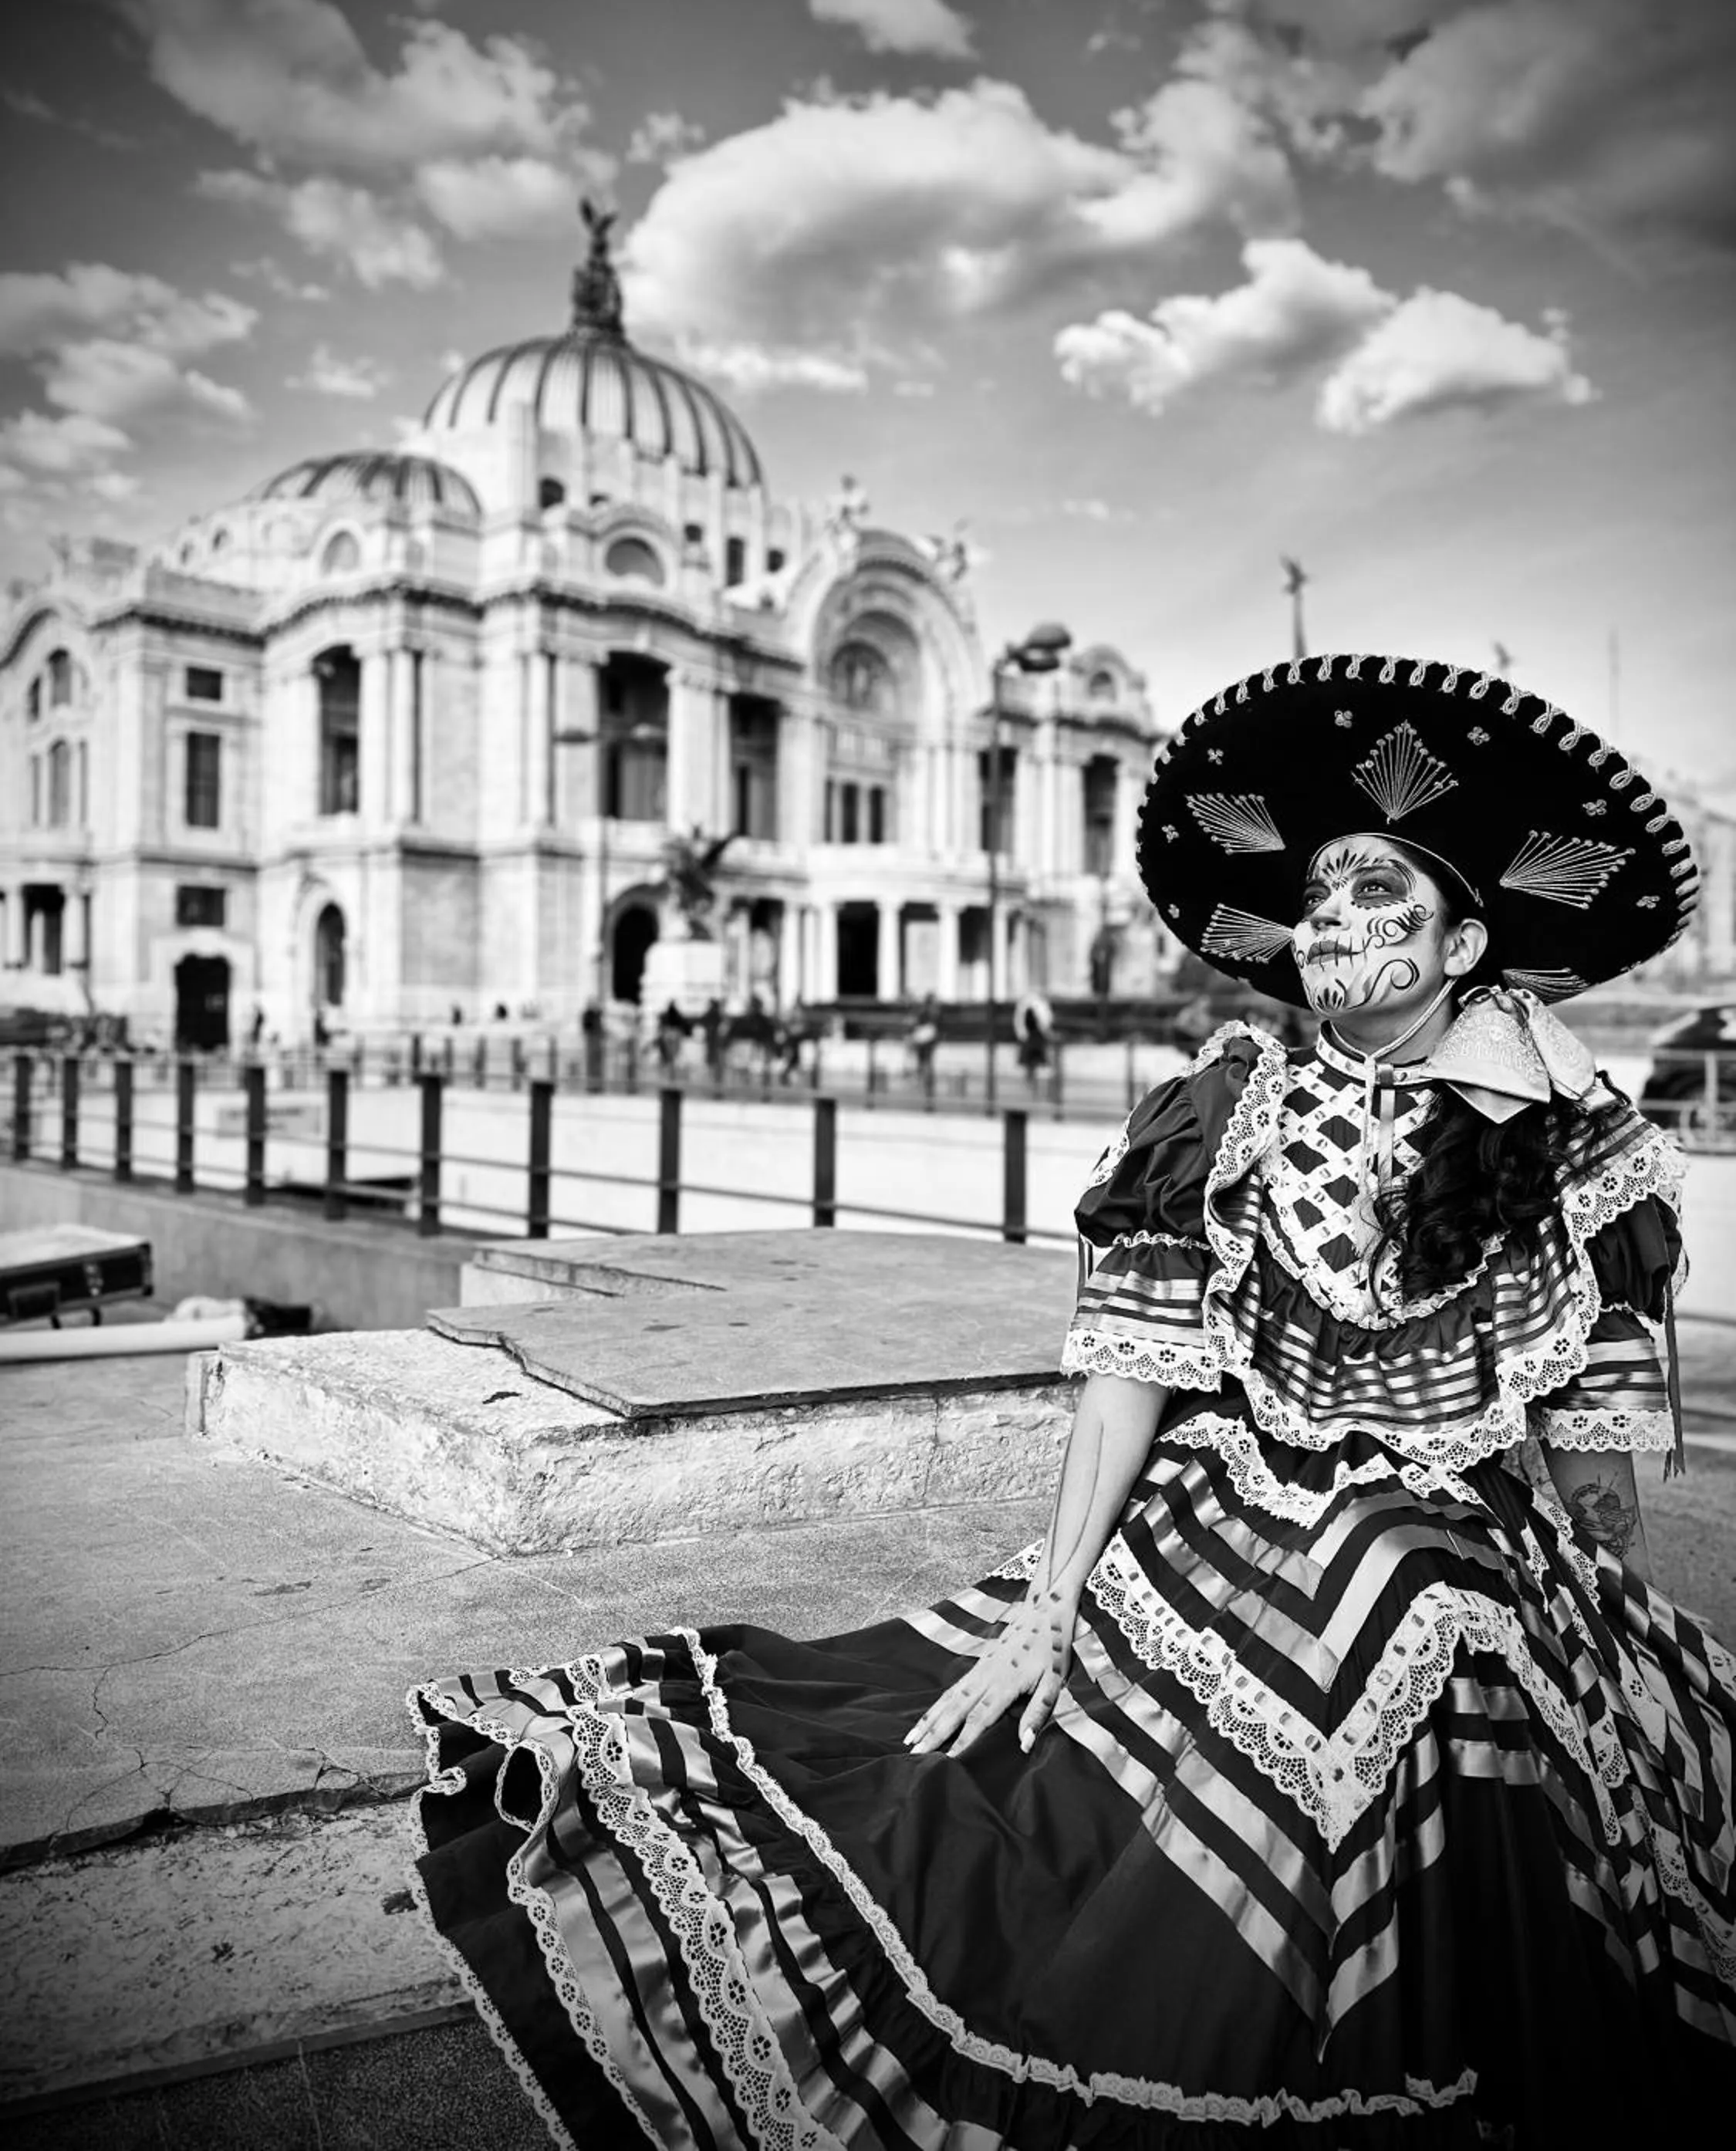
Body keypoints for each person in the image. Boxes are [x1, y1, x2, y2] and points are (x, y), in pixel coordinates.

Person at [407, 653, 1735, 2147]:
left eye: (1381, 900)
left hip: (1473, 1520)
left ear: (1464, 940)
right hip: (1251, 1500)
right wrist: (1050, 1602)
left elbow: (1601, 1400)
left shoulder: (1574, 1136)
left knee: (1459, 1608)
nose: (1338, 926)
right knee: (1402, 1593)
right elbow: (1128, 1371)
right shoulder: (1221, 1110)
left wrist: (1591, 1565)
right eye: (1323, 899)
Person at [907, 988, 941, 1094]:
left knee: (924, 1061)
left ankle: (924, 1081)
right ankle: (925, 1082)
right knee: (925, 1061)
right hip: (926, 1039)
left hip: (925, 1039)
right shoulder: (932, 1011)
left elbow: (916, 1023)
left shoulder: (928, 1011)